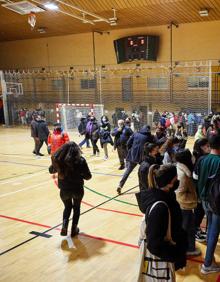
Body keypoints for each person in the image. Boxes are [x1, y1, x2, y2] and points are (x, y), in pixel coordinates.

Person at [137, 164, 187, 281]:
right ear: (169, 183)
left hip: (167, 255)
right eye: (175, 179)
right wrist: (176, 255)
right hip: (164, 259)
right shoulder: (160, 207)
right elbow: (154, 244)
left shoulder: (165, 197)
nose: (177, 181)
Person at [49, 142, 92, 236]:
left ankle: (64, 226)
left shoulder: (60, 160)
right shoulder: (80, 160)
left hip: (64, 190)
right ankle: (74, 229)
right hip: (77, 189)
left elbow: (51, 170)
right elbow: (88, 176)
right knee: (76, 208)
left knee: (67, 207)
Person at [193, 134, 220, 274]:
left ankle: (210, 261)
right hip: (216, 203)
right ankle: (208, 264)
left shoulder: (203, 159)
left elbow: (196, 178)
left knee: (210, 228)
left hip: (204, 200)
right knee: (214, 232)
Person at [175, 149, 201, 256]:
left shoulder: (182, 169)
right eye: (190, 156)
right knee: (185, 228)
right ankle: (182, 249)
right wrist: (195, 198)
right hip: (184, 205)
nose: (192, 157)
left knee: (190, 228)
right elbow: (180, 193)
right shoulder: (184, 174)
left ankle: (190, 248)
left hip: (185, 205)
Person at [117, 125, 153, 194]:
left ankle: (120, 185)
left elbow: (128, 143)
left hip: (133, 156)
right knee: (144, 172)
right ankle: (145, 188)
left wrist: (131, 150)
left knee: (127, 171)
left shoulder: (136, 134)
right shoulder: (149, 137)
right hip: (142, 157)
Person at [193, 138, 210, 242]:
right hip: (199, 192)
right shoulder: (198, 159)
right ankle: (195, 231)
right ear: (201, 147)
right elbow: (195, 178)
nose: (209, 147)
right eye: (207, 146)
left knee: (200, 212)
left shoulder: (202, 157)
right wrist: (197, 194)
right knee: (198, 212)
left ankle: (197, 229)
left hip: (201, 191)